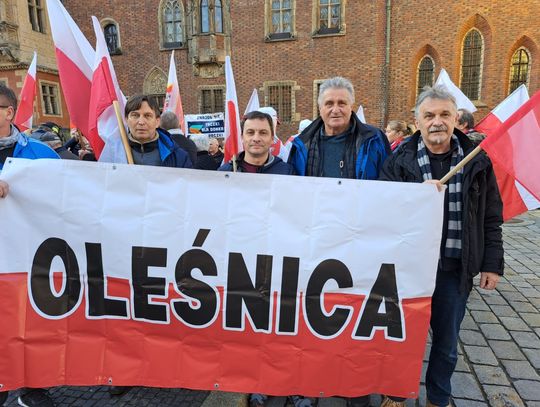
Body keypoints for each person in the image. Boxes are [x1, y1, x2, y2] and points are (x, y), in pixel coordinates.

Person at [379, 86, 503, 407]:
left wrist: (491, 263)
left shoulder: (478, 162)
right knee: (402, 338)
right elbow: (382, 214)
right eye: (429, 115)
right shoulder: (397, 162)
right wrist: (416, 199)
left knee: (447, 343)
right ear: (417, 120)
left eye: (444, 114)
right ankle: (395, 394)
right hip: (408, 271)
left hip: (454, 269)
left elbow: (491, 216)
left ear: (455, 119)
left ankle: (438, 397)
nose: (437, 121)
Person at [288, 77, 390, 407]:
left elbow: (392, 185)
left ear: (352, 106)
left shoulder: (372, 140)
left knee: (355, 316)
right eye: (329, 103)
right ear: (318, 107)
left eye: (341, 103)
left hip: (358, 243)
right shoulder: (301, 143)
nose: (335, 109)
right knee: (313, 316)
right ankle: (312, 382)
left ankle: (356, 387)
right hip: (314, 243)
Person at [0, 84, 59, 406]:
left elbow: (70, 195)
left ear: (9, 112)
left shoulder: (41, 153)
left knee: (31, 321)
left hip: (30, 257)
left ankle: (33, 386)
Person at [124, 94, 192, 169]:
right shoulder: (113, 153)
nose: (141, 122)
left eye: (147, 116)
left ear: (157, 121)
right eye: (135, 115)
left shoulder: (179, 157)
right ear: (126, 120)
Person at [219, 110, 292, 175]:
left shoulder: (286, 172)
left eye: (263, 133)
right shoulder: (225, 172)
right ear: (242, 137)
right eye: (250, 132)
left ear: (272, 138)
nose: (256, 139)